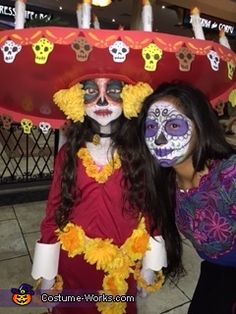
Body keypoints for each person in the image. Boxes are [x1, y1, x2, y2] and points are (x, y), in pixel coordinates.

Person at [31, 77, 183, 314]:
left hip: (122, 264)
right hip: (74, 263)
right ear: (78, 98)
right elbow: (54, 210)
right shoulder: (68, 154)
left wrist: (150, 266)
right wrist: (47, 272)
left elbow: (151, 209)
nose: (102, 100)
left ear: (129, 95)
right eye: (91, 91)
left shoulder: (139, 154)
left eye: (113, 90)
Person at [138, 81, 236, 314]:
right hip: (216, 271)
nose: (159, 138)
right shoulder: (162, 183)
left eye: (173, 125)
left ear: (200, 125)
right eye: (151, 127)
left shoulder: (230, 175)